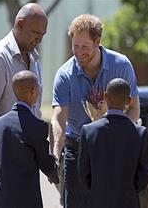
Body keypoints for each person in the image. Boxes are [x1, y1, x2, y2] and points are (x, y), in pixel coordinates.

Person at [51, 14, 140, 208]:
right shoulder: (64, 75)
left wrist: (123, 140)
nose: (78, 52)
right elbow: (59, 118)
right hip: (77, 147)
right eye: (75, 46)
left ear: (98, 42)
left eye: (85, 47)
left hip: (113, 147)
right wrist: (56, 154)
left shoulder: (121, 65)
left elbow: (133, 107)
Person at [0, 3, 48, 208]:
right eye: (35, 32)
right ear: (20, 24)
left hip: (23, 156)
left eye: (43, 34)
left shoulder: (34, 60)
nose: (39, 38)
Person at [0, 70, 59, 208]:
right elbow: (45, 162)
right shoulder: (37, 126)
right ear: (33, 91)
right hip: (28, 199)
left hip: (2, 198)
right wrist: (55, 173)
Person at [78, 78, 148, 208]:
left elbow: (83, 173)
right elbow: (143, 176)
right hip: (128, 202)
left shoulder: (88, 131)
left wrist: (97, 191)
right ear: (129, 101)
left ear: (105, 96)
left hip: (98, 201)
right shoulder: (140, 133)